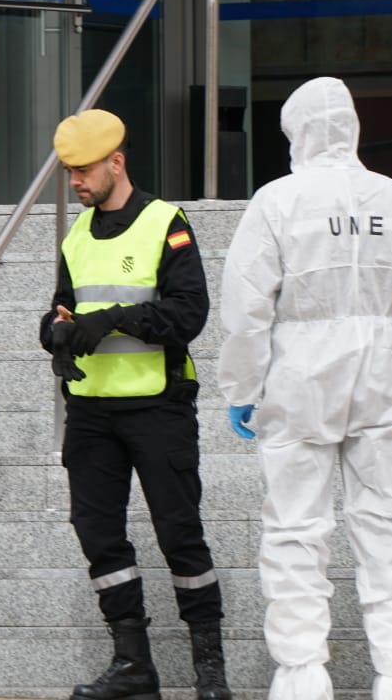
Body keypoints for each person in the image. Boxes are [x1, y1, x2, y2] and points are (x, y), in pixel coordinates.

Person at [216, 77, 392, 700]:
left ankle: (301, 676)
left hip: (300, 377)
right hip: (384, 377)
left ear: (298, 133)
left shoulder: (277, 201)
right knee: (390, 525)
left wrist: (243, 385)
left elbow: (246, 305)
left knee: (294, 527)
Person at [39, 108, 231, 700]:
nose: (75, 182)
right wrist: (56, 332)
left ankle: (209, 670)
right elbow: (65, 306)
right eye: (68, 172)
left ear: (116, 162)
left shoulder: (164, 222)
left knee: (180, 532)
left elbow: (188, 314)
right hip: (92, 413)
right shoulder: (75, 236)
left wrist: (113, 321)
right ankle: (133, 666)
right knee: (98, 534)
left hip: (157, 407)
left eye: (84, 170)